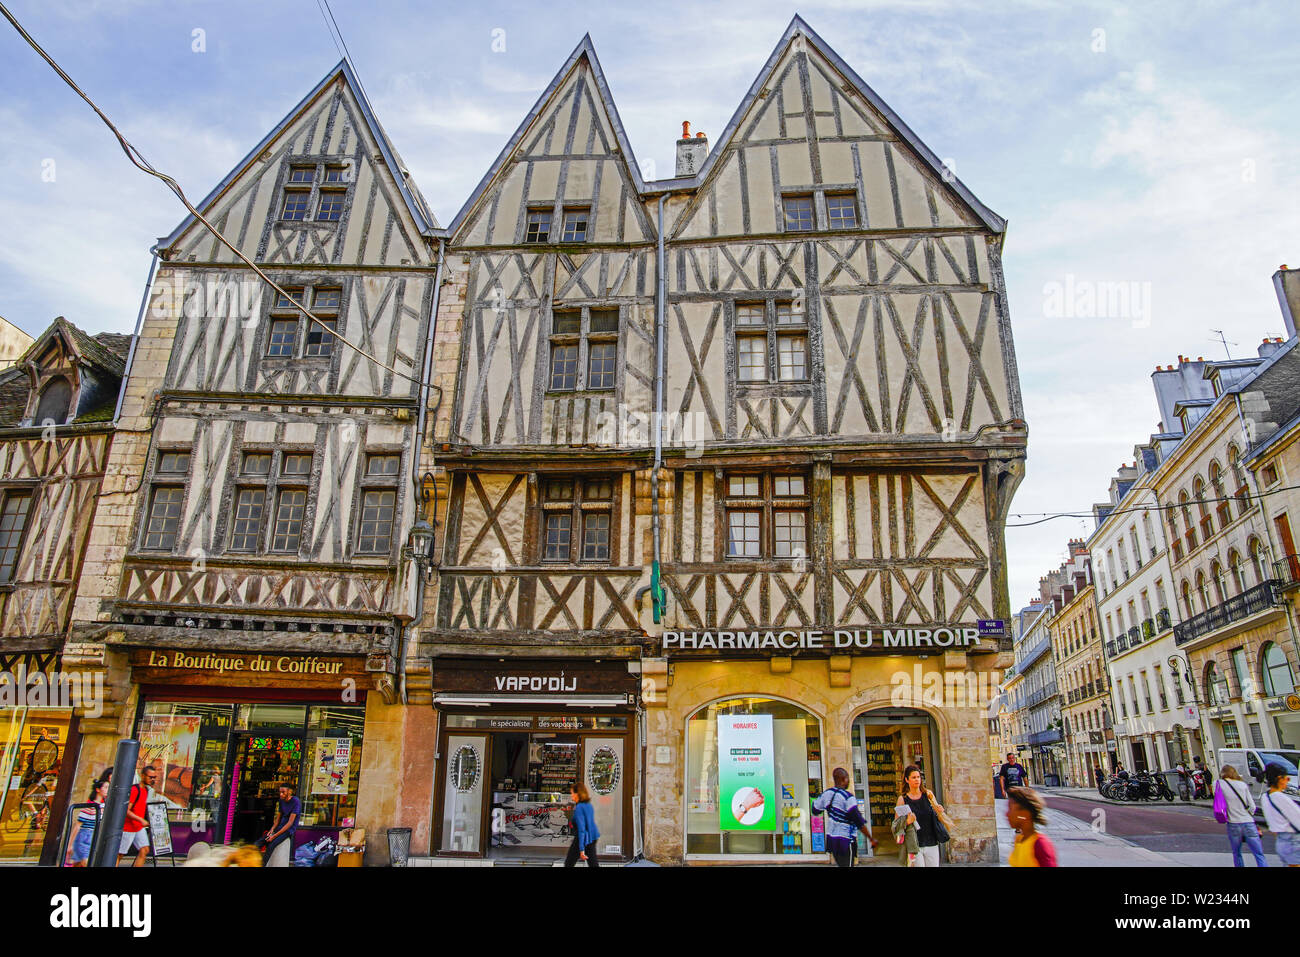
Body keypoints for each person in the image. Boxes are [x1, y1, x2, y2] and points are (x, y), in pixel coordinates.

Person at [812, 767, 878, 866]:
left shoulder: (827, 794)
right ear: (843, 779)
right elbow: (858, 821)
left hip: (832, 839)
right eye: (848, 778)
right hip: (845, 840)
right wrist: (871, 838)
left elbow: (815, 809)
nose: (849, 781)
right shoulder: (848, 798)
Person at [896, 764, 945, 867]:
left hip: (931, 842)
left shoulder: (928, 794)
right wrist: (908, 821)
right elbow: (896, 825)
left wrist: (940, 811)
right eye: (913, 777)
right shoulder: (903, 799)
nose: (917, 780)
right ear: (907, 780)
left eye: (918, 777)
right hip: (914, 845)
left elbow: (939, 817)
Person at [1215, 765, 1265, 867]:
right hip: (1248, 822)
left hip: (1233, 823)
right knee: (1259, 854)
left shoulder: (1219, 784)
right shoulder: (1242, 785)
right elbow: (1252, 807)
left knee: (1237, 853)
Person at [66, 770, 111, 867]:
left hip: (94, 836)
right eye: (106, 787)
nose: (108, 790)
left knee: (78, 864)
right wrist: (69, 845)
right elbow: (78, 826)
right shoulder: (90, 806)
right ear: (98, 789)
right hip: (85, 837)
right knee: (86, 863)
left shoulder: (103, 805)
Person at [1260, 762, 1300, 867]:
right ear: (1280, 778)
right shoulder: (1280, 797)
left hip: (1281, 841)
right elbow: (1297, 819)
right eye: (1287, 778)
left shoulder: (1265, 797)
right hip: (1293, 842)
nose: (1288, 781)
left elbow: (1272, 824)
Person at [1006, 786, 1057, 867]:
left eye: (1010, 809)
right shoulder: (1018, 839)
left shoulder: (1040, 844)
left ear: (1025, 813)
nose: (1007, 814)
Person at [118, 765, 156, 867]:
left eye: (154, 777)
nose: (152, 779)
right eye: (150, 777)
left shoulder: (146, 790)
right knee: (119, 854)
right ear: (143, 776)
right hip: (129, 827)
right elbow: (126, 810)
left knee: (144, 850)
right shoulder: (135, 790)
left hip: (138, 827)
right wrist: (141, 820)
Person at [262, 784, 300, 864]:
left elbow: (290, 823)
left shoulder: (296, 801)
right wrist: (272, 830)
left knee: (272, 845)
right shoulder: (281, 801)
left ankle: (262, 865)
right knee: (262, 840)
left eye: (283, 792)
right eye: (280, 792)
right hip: (280, 827)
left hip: (288, 830)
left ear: (289, 792)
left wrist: (274, 836)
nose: (281, 794)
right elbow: (278, 818)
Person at [564, 781, 599, 867]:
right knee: (593, 864)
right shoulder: (588, 805)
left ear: (577, 794)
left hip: (582, 838)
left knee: (569, 863)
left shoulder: (579, 807)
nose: (571, 795)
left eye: (572, 793)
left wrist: (581, 849)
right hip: (592, 837)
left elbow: (581, 829)